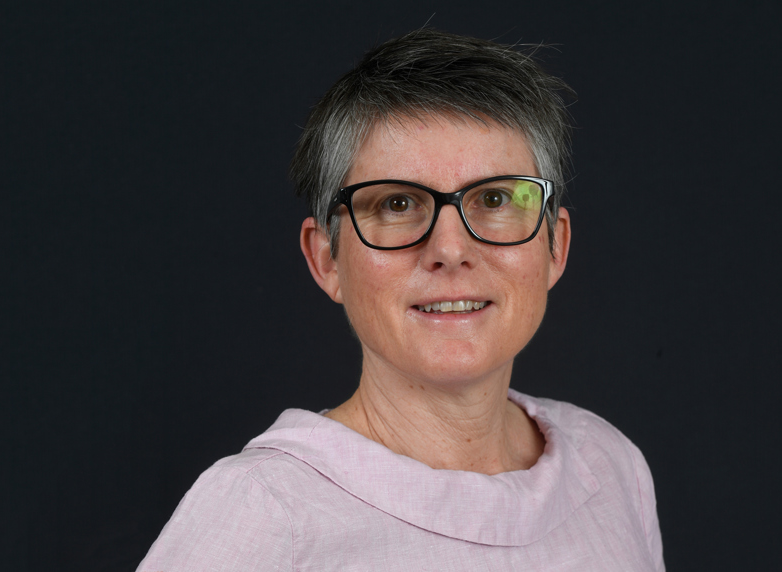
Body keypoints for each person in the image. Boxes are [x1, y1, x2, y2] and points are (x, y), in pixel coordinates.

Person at [137, 29, 665, 571]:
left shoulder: (609, 467)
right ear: (327, 260)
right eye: (396, 203)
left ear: (555, 245)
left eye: (495, 198)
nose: (451, 249)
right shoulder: (266, 514)